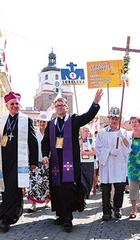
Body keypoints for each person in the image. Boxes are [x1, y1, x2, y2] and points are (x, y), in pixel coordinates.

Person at [42, 89, 103, 232]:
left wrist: (95, 103)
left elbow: (88, 116)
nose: (60, 107)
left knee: (68, 188)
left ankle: (68, 217)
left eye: (62, 105)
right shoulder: (51, 124)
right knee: (57, 187)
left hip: (70, 162)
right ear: (54, 108)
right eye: (57, 106)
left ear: (67, 107)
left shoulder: (74, 120)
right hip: (56, 162)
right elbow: (45, 142)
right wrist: (45, 155)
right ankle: (61, 214)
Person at [0, 91, 38, 233]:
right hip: (4, 159)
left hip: (19, 160)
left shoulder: (26, 119)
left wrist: (33, 161)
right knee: (6, 187)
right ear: (7, 105)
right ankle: (10, 211)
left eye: (17, 103)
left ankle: (9, 217)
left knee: (15, 187)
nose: (15, 106)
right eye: (12, 104)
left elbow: (33, 141)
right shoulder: (2, 121)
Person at [95, 106, 130, 221]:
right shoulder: (102, 133)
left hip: (119, 164)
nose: (114, 121)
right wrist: (109, 151)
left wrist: (123, 137)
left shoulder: (123, 132)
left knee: (119, 188)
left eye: (116, 118)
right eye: (112, 118)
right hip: (107, 164)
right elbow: (98, 149)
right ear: (109, 119)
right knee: (105, 189)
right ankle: (106, 211)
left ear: (119, 119)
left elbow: (128, 148)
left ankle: (117, 207)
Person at [26, 112, 51, 213]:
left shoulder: (50, 134)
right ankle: (33, 204)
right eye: (40, 121)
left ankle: (47, 201)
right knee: (34, 182)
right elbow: (29, 147)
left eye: (44, 122)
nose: (42, 123)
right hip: (36, 162)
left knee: (47, 182)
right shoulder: (34, 134)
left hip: (47, 162)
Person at [79, 125, 96, 199]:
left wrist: (85, 153)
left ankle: (87, 194)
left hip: (89, 163)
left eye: (88, 131)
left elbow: (95, 152)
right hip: (81, 163)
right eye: (86, 131)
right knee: (82, 181)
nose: (87, 132)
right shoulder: (78, 140)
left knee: (89, 180)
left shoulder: (91, 140)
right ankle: (82, 196)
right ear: (81, 132)